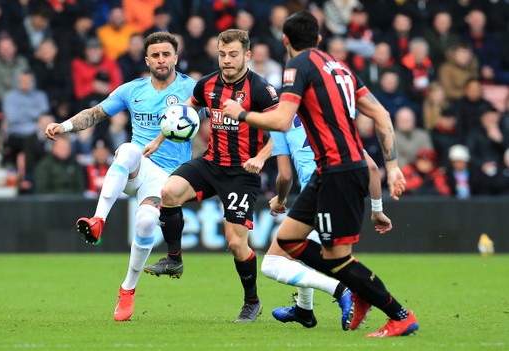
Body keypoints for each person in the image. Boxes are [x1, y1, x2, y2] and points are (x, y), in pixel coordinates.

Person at [223, 10, 418, 337]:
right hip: (332, 171)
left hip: (338, 171)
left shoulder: (297, 66)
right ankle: (349, 292)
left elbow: (283, 120)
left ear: (285, 41)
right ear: (319, 39)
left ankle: (398, 313)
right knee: (289, 240)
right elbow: (382, 115)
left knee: (338, 258)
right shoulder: (341, 68)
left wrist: (242, 113)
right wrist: (393, 167)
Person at [44, 32, 198, 322]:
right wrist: (62, 127)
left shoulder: (192, 89)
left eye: (167, 54)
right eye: (156, 55)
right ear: (147, 59)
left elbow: (220, 110)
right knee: (127, 149)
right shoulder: (132, 89)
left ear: (176, 58)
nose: (161, 60)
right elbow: (95, 113)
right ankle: (98, 220)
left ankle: (127, 290)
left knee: (145, 222)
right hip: (135, 168)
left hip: (166, 179)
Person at [143, 29, 280, 323]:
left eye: (233, 55)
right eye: (222, 54)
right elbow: (184, 112)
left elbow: (284, 129)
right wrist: (159, 139)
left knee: (234, 242)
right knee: (169, 192)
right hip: (210, 163)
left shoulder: (260, 90)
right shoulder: (207, 85)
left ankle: (252, 302)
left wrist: (261, 157)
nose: (227, 60)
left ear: (247, 56)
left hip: (242, 173)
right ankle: (175, 260)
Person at [262, 114, 393, 330]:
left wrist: (280, 199)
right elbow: (371, 167)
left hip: (316, 197)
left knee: (272, 264)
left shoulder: (279, 120)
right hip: (348, 200)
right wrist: (377, 210)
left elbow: (285, 176)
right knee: (302, 252)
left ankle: (343, 290)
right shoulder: (331, 116)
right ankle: (304, 310)